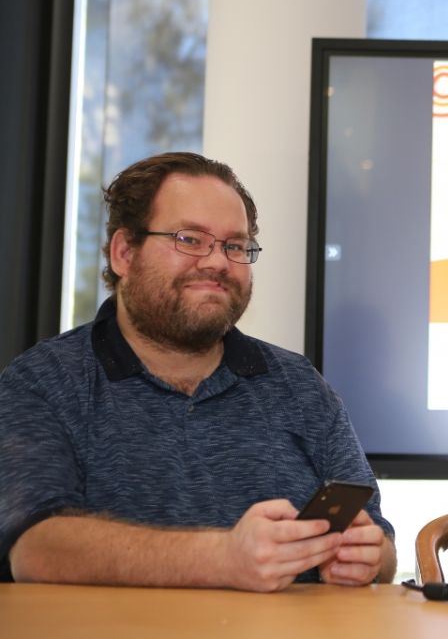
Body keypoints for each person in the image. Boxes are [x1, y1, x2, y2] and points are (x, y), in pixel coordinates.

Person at [0, 152, 396, 591]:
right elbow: (35, 549)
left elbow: (380, 542)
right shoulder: (44, 380)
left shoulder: (298, 384)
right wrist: (224, 558)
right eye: (190, 239)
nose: (218, 262)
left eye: (235, 245)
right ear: (124, 253)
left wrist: (368, 556)